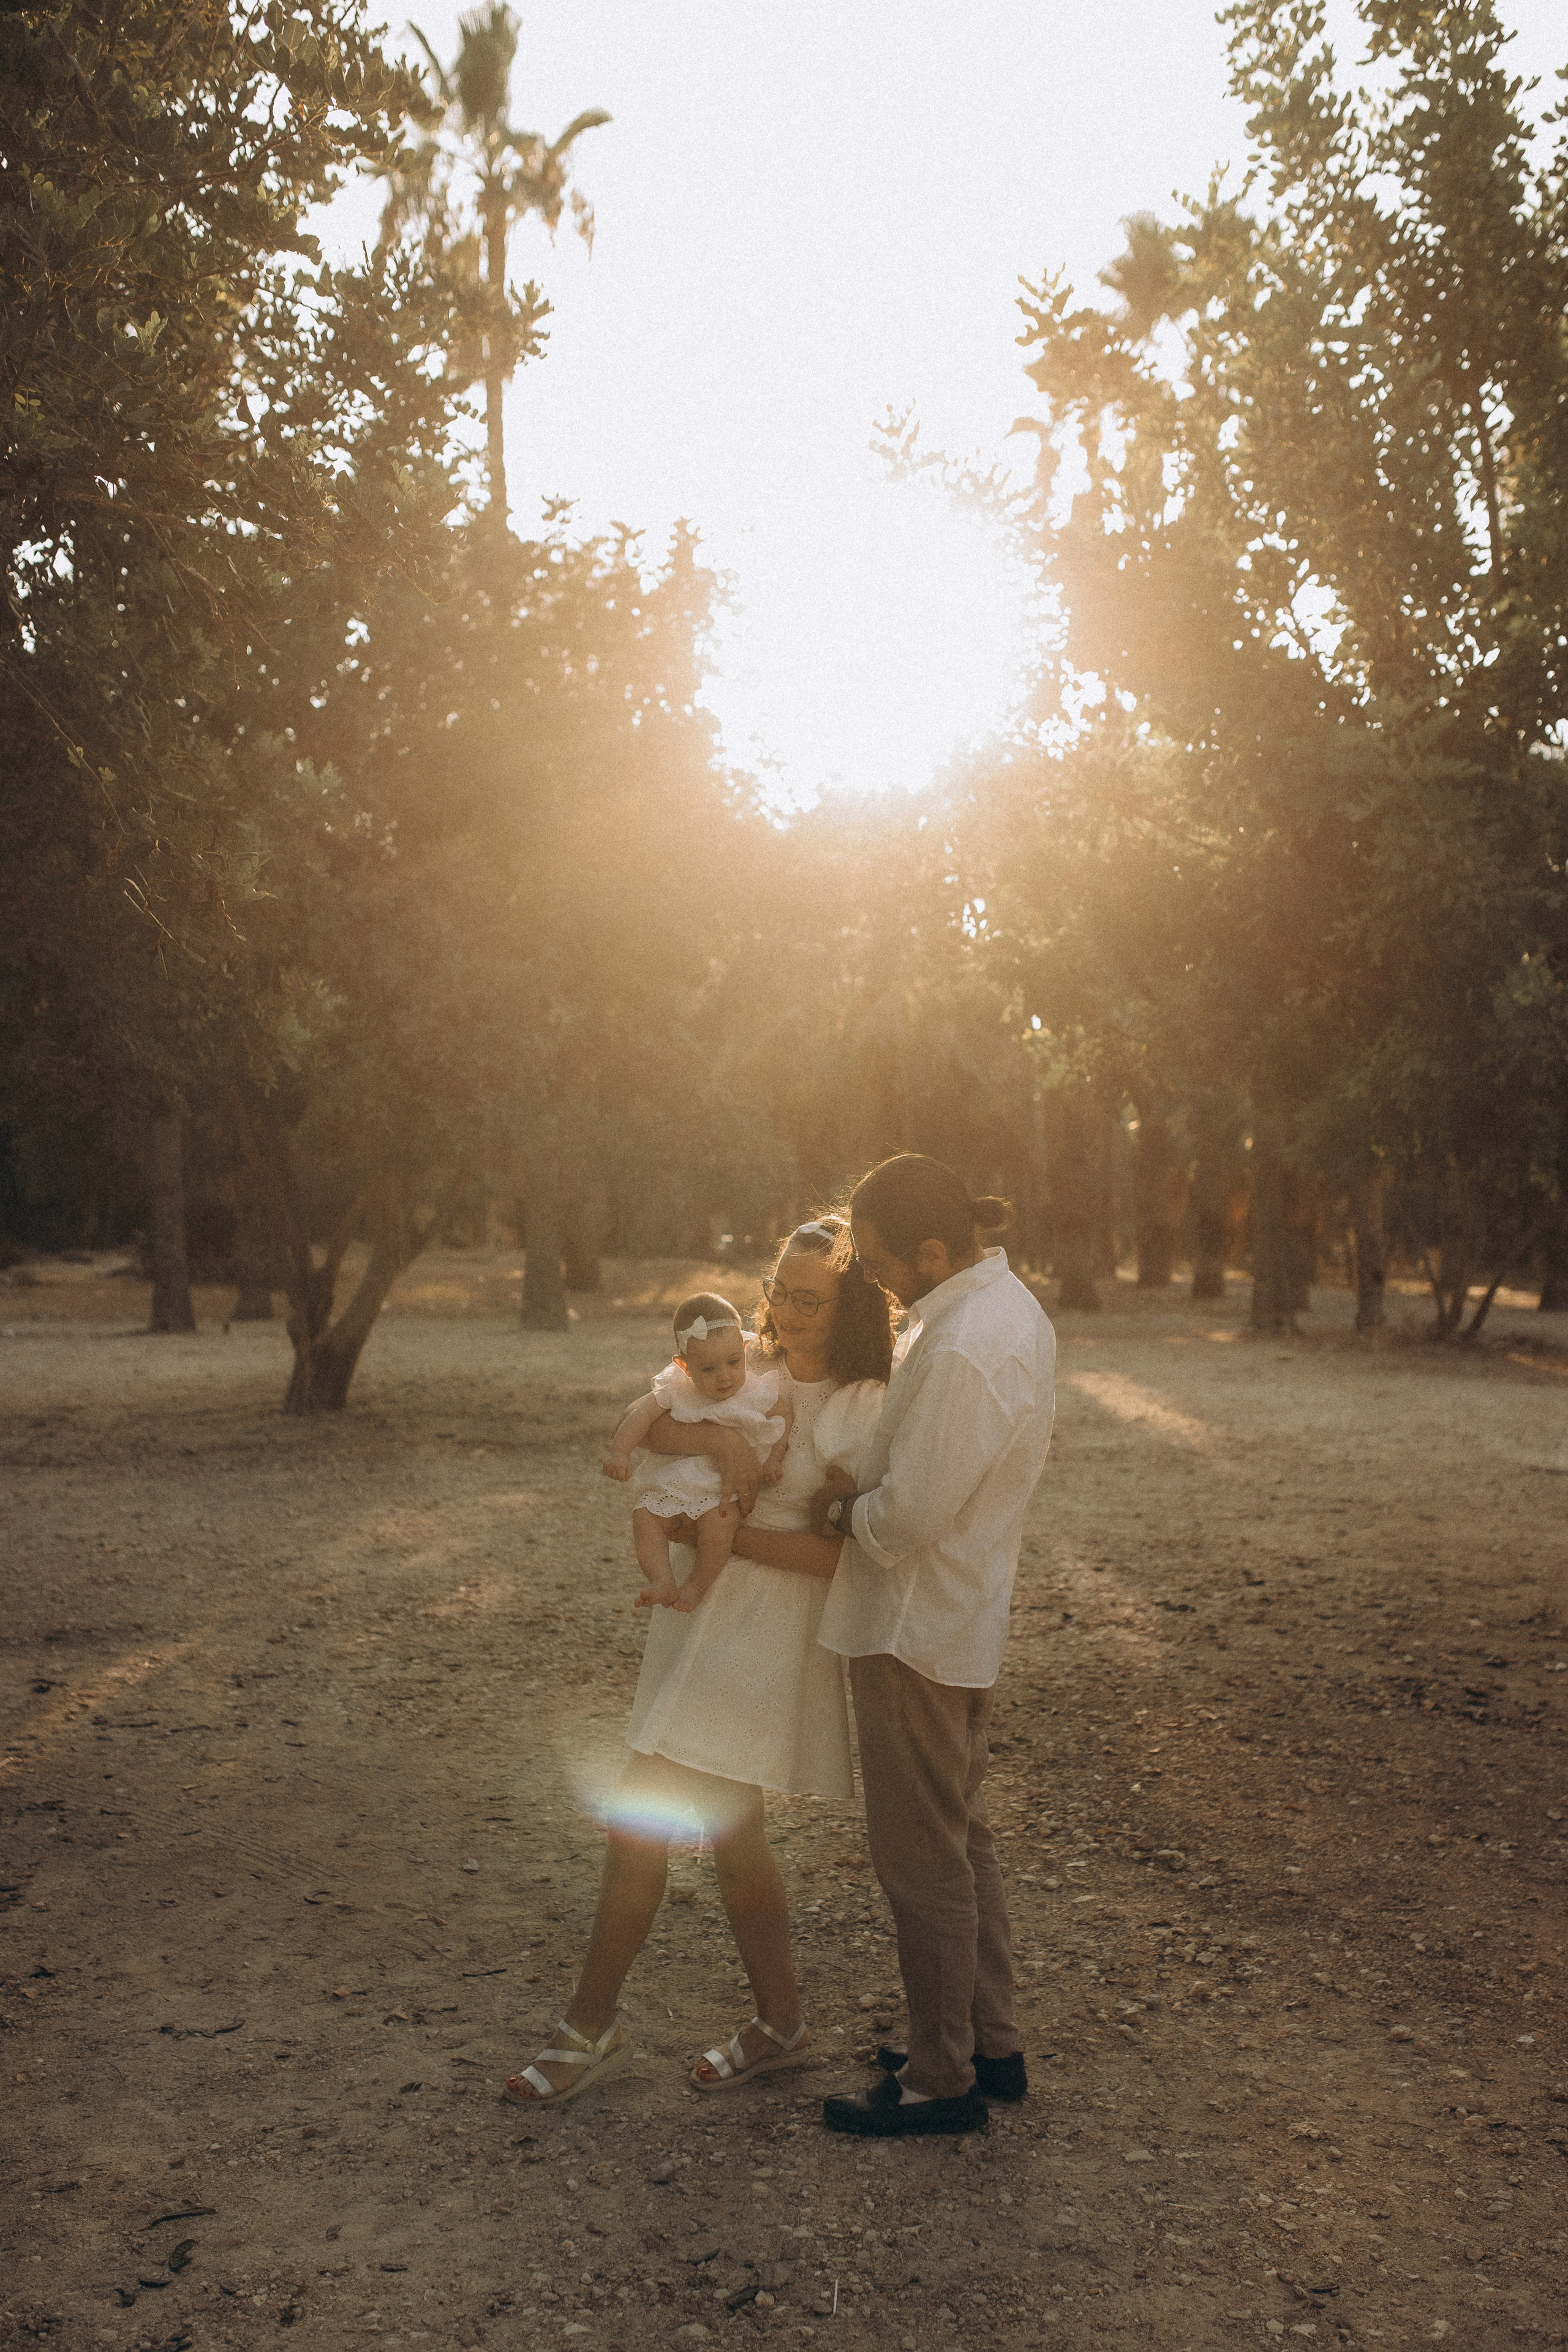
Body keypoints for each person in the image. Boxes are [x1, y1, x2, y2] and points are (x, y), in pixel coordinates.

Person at [503, 1217, 892, 2109]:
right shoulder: (741, 1362)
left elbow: (842, 1559)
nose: (788, 1314)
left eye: (813, 1299)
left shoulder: (862, 1403)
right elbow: (661, 1423)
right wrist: (710, 1447)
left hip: (764, 1629)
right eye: (782, 1293)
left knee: (643, 1804)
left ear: (853, 1302)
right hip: (698, 1619)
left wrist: (728, 1537)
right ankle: (783, 2021)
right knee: (733, 1827)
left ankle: (588, 2026)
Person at [810, 1153, 1056, 2139]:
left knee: (922, 1859)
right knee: (961, 1840)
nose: (873, 1282)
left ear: (933, 1250)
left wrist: (844, 1510)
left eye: (879, 1263)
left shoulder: (965, 1343)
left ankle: (938, 2078)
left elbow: (909, 1515)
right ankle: (985, 2040)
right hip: (954, 1613)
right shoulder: (992, 1310)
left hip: (917, 1621)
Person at [603, 1292, 792, 1613]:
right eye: (708, 1369)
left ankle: (697, 1585)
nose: (725, 1376)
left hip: (720, 1489)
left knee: (721, 1526)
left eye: (734, 1362)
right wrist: (620, 1452)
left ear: (745, 1349)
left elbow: (784, 1413)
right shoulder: (676, 1388)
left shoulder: (754, 1391)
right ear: (684, 1366)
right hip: (673, 1481)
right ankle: (661, 1579)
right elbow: (641, 1416)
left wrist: (774, 1458)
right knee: (644, 1518)